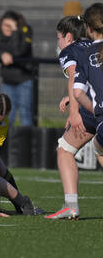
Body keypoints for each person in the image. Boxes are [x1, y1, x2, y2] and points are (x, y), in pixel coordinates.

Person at [45, 16, 98, 220]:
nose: (58, 43)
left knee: (65, 150)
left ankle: (71, 206)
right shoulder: (95, 45)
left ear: (67, 36)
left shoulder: (69, 50)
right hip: (96, 102)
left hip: (92, 108)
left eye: (58, 37)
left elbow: (76, 75)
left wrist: (74, 112)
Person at [68, 3, 103, 216]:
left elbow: (79, 93)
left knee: (99, 149)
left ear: (89, 28)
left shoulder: (85, 53)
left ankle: (70, 206)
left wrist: (96, 110)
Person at [0, 10, 34, 127]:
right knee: (6, 116)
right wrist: (2, 54)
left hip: (24, 80)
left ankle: (26, 144)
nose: (6, 29)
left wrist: (15, 31)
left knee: (25, 116)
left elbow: (18, 51)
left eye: (10, 26)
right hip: (7, 81)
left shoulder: (25, 31)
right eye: (5, 25)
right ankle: (5, 144)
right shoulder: (0, 34)